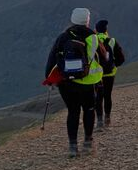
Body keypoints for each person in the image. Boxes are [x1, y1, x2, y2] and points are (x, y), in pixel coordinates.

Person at [45, 8, 105, 158]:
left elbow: (52, 59)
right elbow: (104, 59)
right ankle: (88, 143)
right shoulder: (93, 37)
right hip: (88, 82)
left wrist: (50, 79)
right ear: (87, 20)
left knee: (73, 112)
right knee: (89, 110)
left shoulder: (63, 37)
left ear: (72, 19)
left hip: (67, 83)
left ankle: (72, 146)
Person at [94, 20, 125, 130]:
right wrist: (113, 65)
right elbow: (121, 58)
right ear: (106, 30)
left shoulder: (93, 41)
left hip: (96, 75)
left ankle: (99, 122)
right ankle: (107, 118)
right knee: (107, 96)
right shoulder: (112, 41)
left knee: (98, 97)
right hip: (110, 74)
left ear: (96, 30)